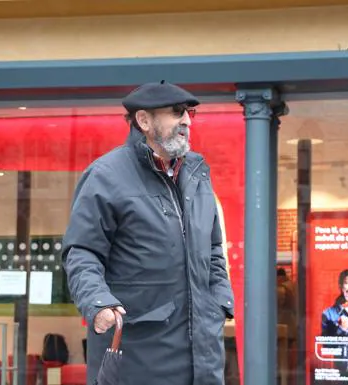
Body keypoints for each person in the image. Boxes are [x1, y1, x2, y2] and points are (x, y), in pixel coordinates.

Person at [62, 81, 235, 385]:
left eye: (190, 113)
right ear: (143, 120)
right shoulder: (106, 176)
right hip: (138, 355)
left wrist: (219, 302)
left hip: (204, 359)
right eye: (177, 112)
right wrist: (99, 303)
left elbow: (214, 250)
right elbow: (81, 252)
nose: (187, 121)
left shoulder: (197, 174)